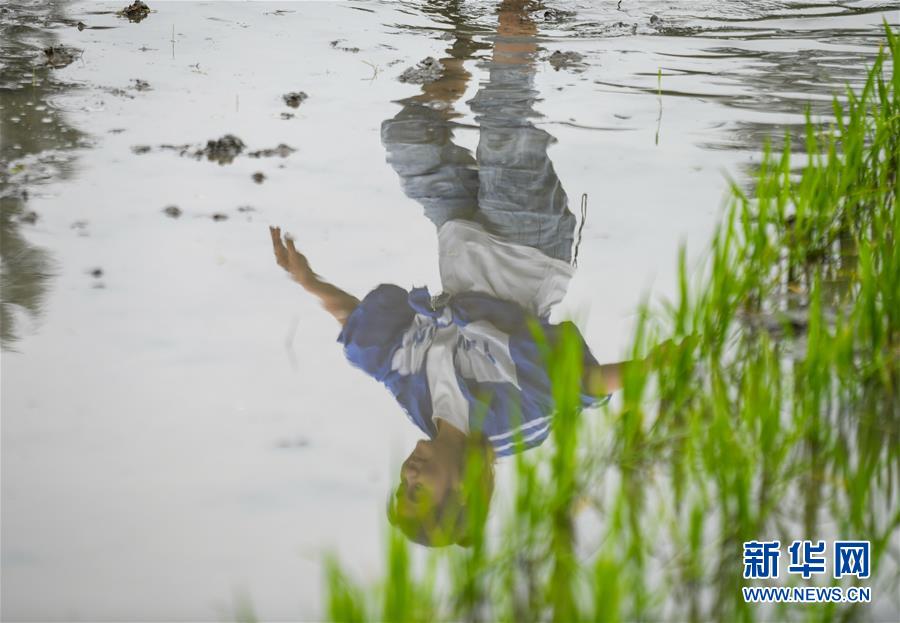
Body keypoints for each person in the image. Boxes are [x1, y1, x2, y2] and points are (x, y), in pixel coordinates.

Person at [270, 0, 633, 546]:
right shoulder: (514, 424)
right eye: (418, 492)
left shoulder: (419, 404)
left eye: (400, 487)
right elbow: (585, 385)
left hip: (460, 237)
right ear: (462, 491)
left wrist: (308, 280)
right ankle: (517, 16)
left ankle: (460, 48)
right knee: (502, 122)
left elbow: (368, 339)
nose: (408, 476)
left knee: (407, 138)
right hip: (527, 243)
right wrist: (670, 365)